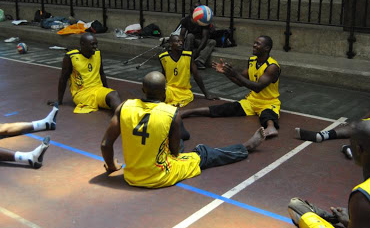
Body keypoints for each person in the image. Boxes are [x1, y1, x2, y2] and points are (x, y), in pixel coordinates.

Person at [100, 71, 265, 188]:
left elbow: (106, 144)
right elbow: (174, 153)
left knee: (171, 133)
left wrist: (112, 166)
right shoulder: (171, 113)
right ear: (165, 91)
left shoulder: (124, 107)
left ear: (143, 90)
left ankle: (181, 134)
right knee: (203, 153)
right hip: (159, 176)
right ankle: (246, 147)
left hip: (131, 176)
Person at [181, 36, 281, 138]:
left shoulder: (272, 67)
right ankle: (189, 112)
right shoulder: (252, 61)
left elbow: (258, 87)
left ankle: (271, 127)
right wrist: (226, 73)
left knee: (267, 114)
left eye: (258, 44)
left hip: (268, 102)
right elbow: (240, 82)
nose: (254, 45)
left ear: (267, 48)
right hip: (252, 101)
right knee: (224, 108)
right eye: (255, 43)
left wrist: (235, 73)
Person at [55, 33, 121, 113]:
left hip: (97, 89)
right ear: (83, 44)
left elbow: (102, 74)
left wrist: (107, 90)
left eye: (96, 44)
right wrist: (59, 101)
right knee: (113, 97)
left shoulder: (97, 53)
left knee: (114, 94)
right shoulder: (71, 57)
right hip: (82, 93)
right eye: (92, 44)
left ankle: (122, 117)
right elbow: (63, 79)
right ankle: (120, 118)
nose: (95, 47)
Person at [159, 34, 218, 107]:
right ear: (171, 44)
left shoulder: (188, 56)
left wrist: (206, 94)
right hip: (169, 89)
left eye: (181, 41)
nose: (181, 43)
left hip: (184, 91)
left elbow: (196, 75)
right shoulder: (163, 57)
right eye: (177, 41)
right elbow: (163, 75)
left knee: (175, 103)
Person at [180, 2, 216, 69]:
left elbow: (205, 37)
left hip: (200, 41)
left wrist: (198, 51)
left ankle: (199, 61)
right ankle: (186, 57)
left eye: (197, 7)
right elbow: (182, 35)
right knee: (190, 35)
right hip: (190, 40)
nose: (195, 9)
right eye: (194, 7)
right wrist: (180, 45)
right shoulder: (186, 20)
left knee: (212, 42)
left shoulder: (204, 20)